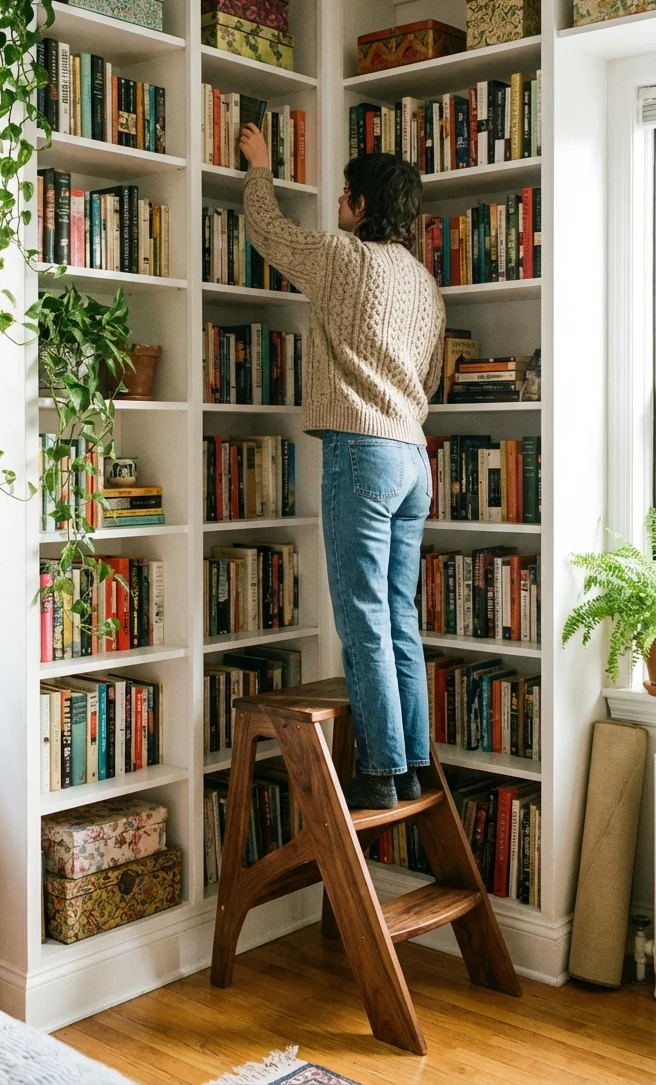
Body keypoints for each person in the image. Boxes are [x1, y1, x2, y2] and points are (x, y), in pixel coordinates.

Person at [239, 125, 445, 811]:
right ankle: (413, 762)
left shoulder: (342, 258)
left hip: (362, 451)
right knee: (398, 615)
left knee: (361, 614)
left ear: (359, 203)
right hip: (414, 455)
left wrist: (261, 167)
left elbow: (269, 232)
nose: (337, 203)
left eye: (345, 193)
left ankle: (381, 771)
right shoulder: (425, 284)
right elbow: (433, 375)